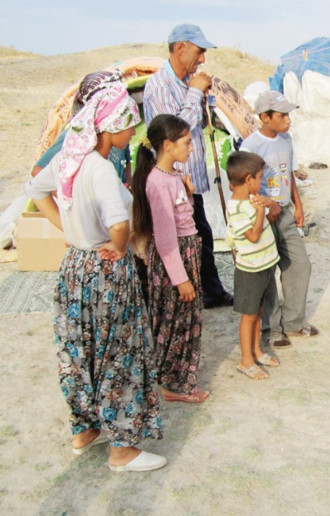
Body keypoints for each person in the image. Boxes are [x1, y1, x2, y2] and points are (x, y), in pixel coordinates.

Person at [25, 82, 166, 472]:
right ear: (108, 127)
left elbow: (35, 189)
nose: (132, 134)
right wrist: (118, 246)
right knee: (119, 353)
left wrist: (70, 234)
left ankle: (85, 429)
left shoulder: (69, 159)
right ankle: (122, 449)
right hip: (106, 269)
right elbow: (119, 223)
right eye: (127, 126)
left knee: (79, 350)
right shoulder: (101, 168)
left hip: (75, 266)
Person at [143, 23, 233, 309]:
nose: (203, 59)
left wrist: (202, 94)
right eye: (199, 51)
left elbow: (201, 124)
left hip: (189, 182)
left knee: (200, 237)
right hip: (172, 183)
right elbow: (173, 132)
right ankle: (186, 293)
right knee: (177, 242)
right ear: (180, 48)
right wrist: (195, 93)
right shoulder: (159, 86)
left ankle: (209, 291)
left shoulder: (187, 82)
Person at [132, 114, 210, 403]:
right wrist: (181, 280)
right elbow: (165, 239)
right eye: (187, 142)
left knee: (185, 321)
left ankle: (175, 381)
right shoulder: (157, 183)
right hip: (173, 262)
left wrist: (187, 194)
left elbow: (182, 218)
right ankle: (175, 385)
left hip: (183, 257)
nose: (191, 148)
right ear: (167, 145)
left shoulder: (172, 177)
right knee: (175, 324)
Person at [240, 91, 318, 348]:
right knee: (267, 272)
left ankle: (294, 322)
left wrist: (298, 204)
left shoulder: (286, 139)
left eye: (288, 114)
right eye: (282, 115)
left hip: (284, 212)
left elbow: (289, 174)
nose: (288, 120)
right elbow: (246, 188)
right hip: (262, 216)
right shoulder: (251, 146)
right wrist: (268, 205)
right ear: (265, 117)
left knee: (300, 264)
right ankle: (271, 328)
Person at [225, 151, 281, 379]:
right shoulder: (236, 208)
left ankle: (257, 350)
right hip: (250, 271)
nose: (261, 182)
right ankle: (245, 360)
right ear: (248, 179)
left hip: (264, 266)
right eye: (259, 177)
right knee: (248, 315)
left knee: (257, 311)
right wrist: (260, 212)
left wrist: (265, 204)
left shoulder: (251, 199)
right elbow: (253, 236)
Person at [32, 70, 132, 182]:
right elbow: (38, 171)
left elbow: (126, 164)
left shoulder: (119, 130)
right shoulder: (75, 134)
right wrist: (65, 195)